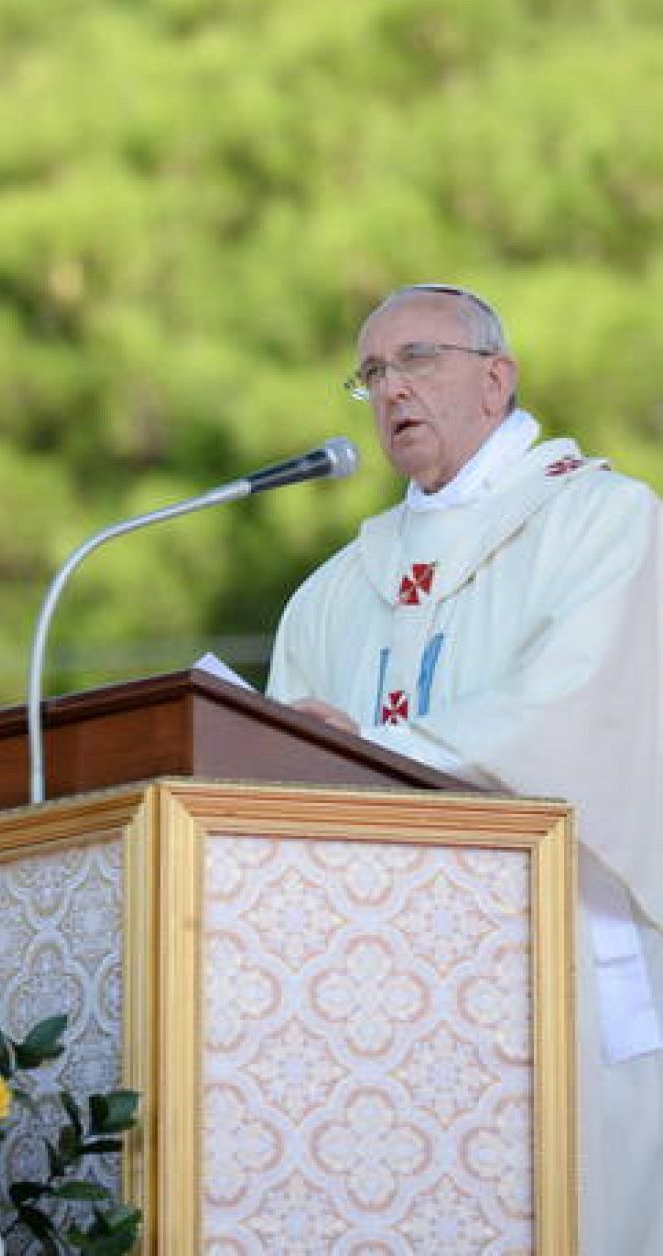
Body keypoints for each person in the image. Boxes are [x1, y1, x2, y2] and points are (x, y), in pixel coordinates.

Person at [267, 283, 663, 1255]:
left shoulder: (600, 520)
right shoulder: (330, 593)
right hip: (365, 1000)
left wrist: (368, 753)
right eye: (369, 372)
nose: (389, 388)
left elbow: (578, 711)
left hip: (550, 959)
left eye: (416, 359)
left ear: (495, 377)